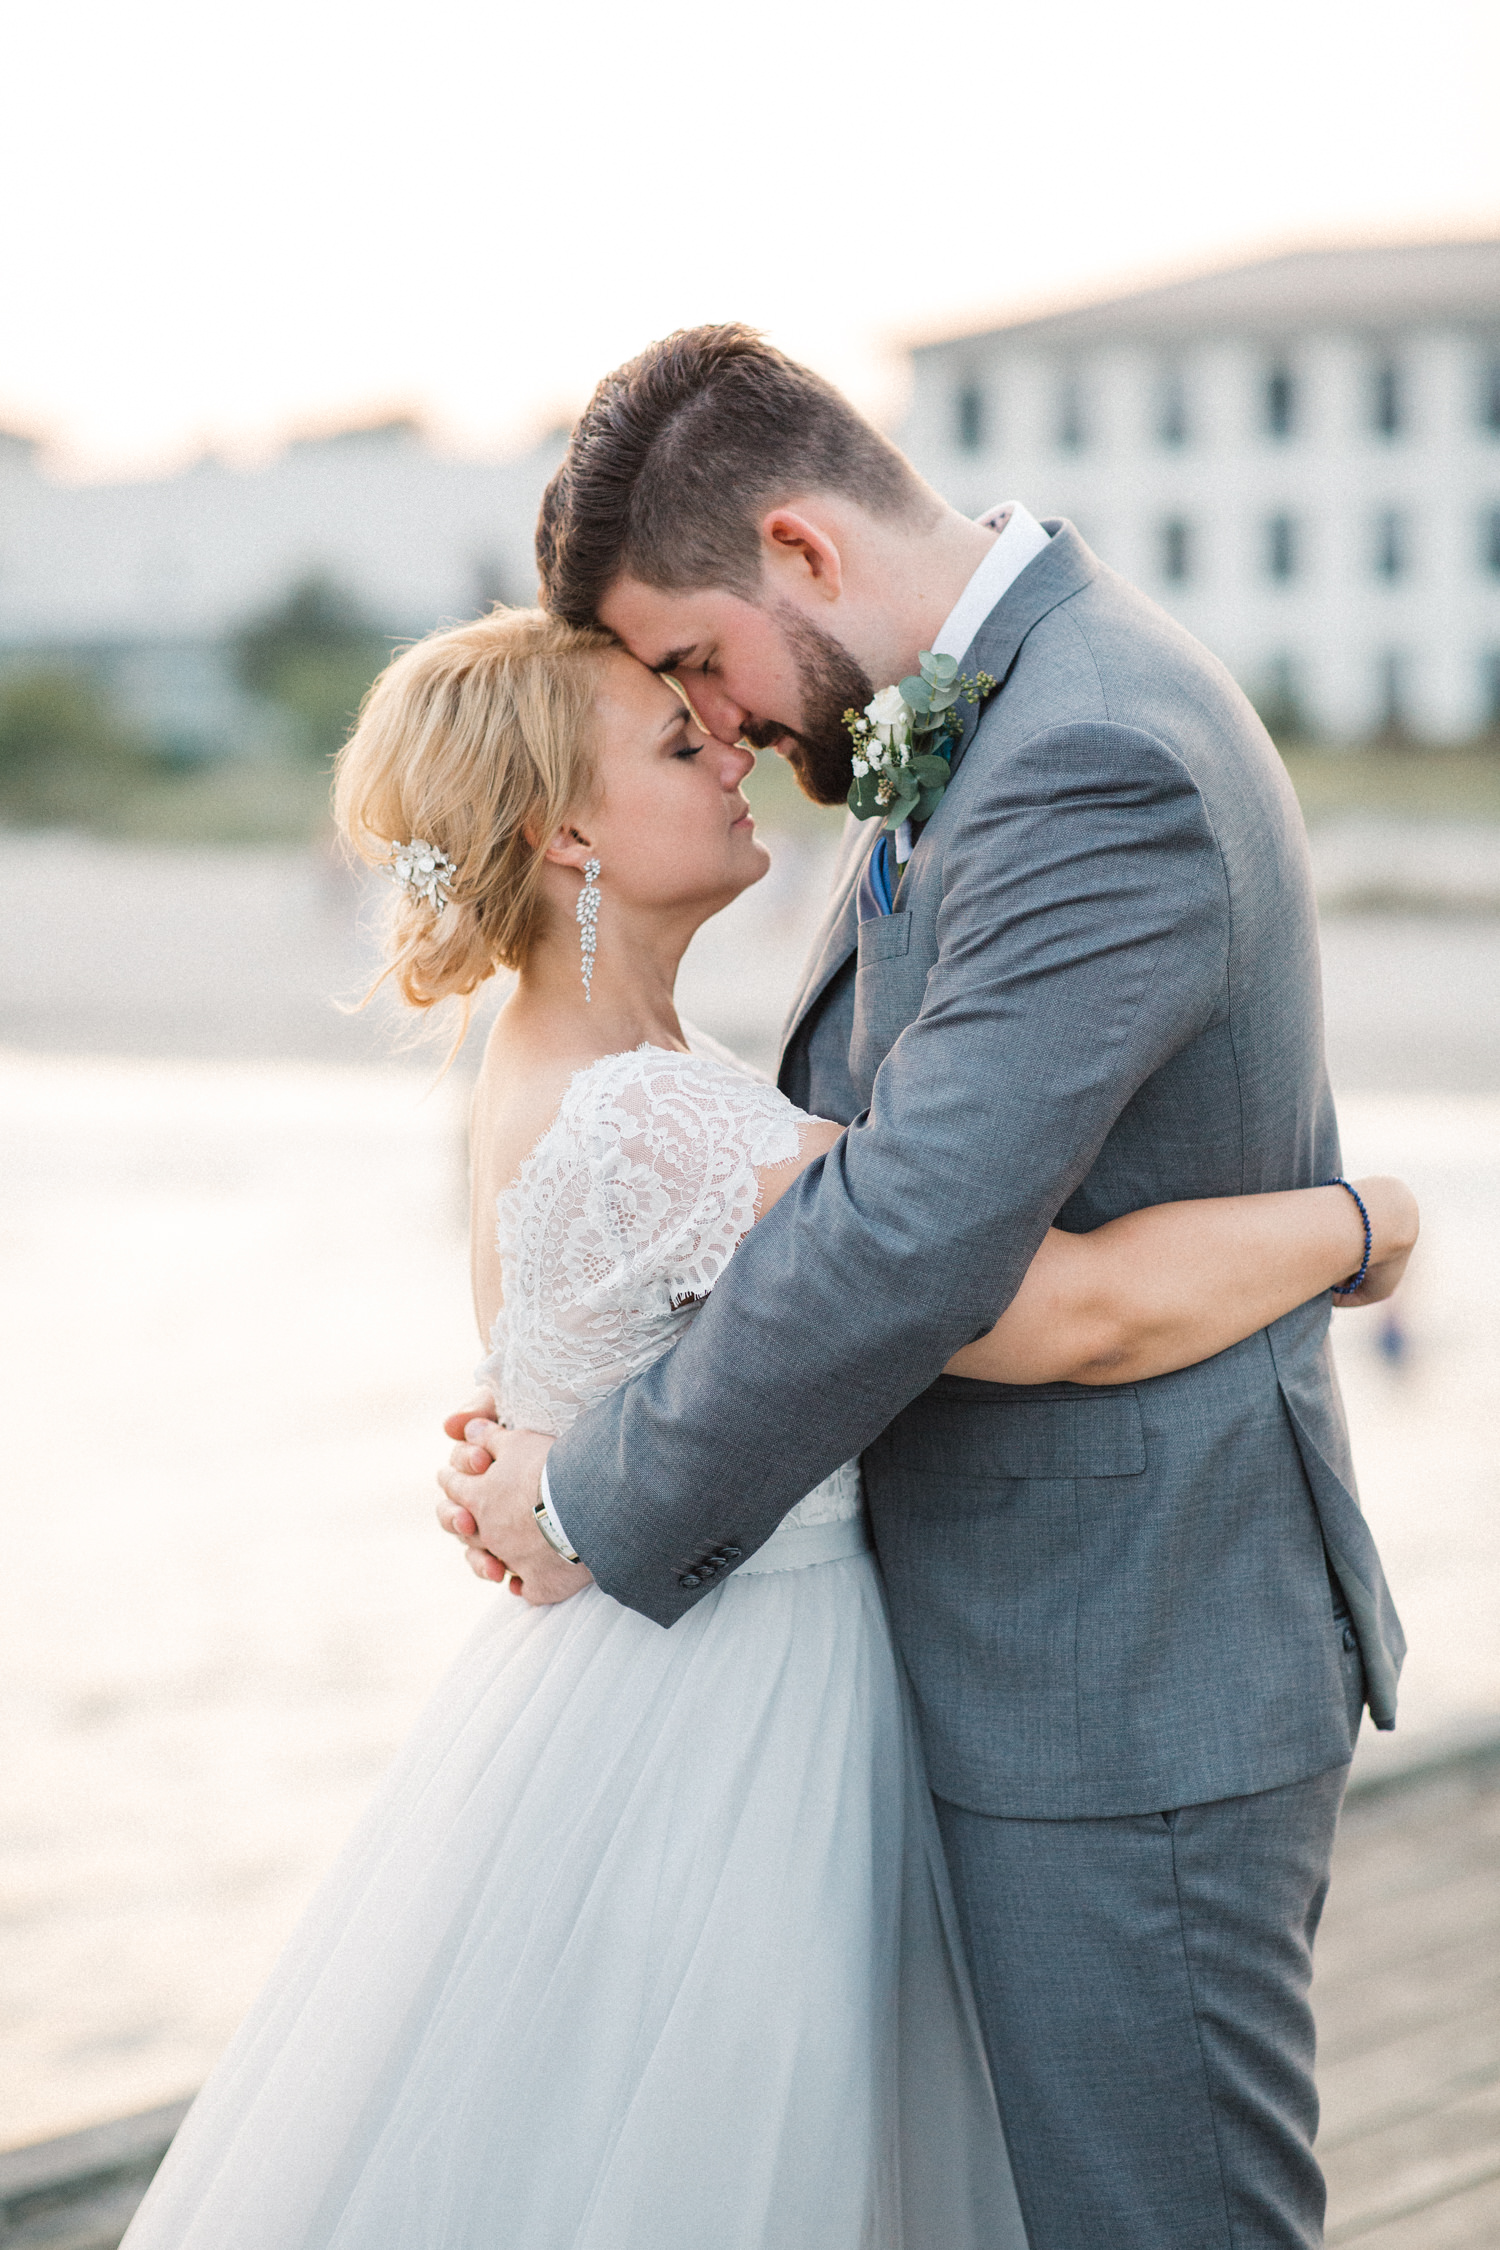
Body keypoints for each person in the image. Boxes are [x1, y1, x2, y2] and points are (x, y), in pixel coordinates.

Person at [121, 608, 1412, 2249]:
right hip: (737, 1725)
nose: (732, 747)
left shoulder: (592, 1069)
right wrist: (1360, 1220)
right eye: (678, 743)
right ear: (563, 831)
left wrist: (551, 1475)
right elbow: (1074, 1310)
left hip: (641, 1681)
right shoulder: (658, 1116)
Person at [439, 326, 1410, 2250]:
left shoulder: (1090, 752)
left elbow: (903, 1241)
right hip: (1017, 1658)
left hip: (1127, 1676)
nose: (721, 724)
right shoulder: (999, 717)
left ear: (798, 548)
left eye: (698, 662)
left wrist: (585, 1488)